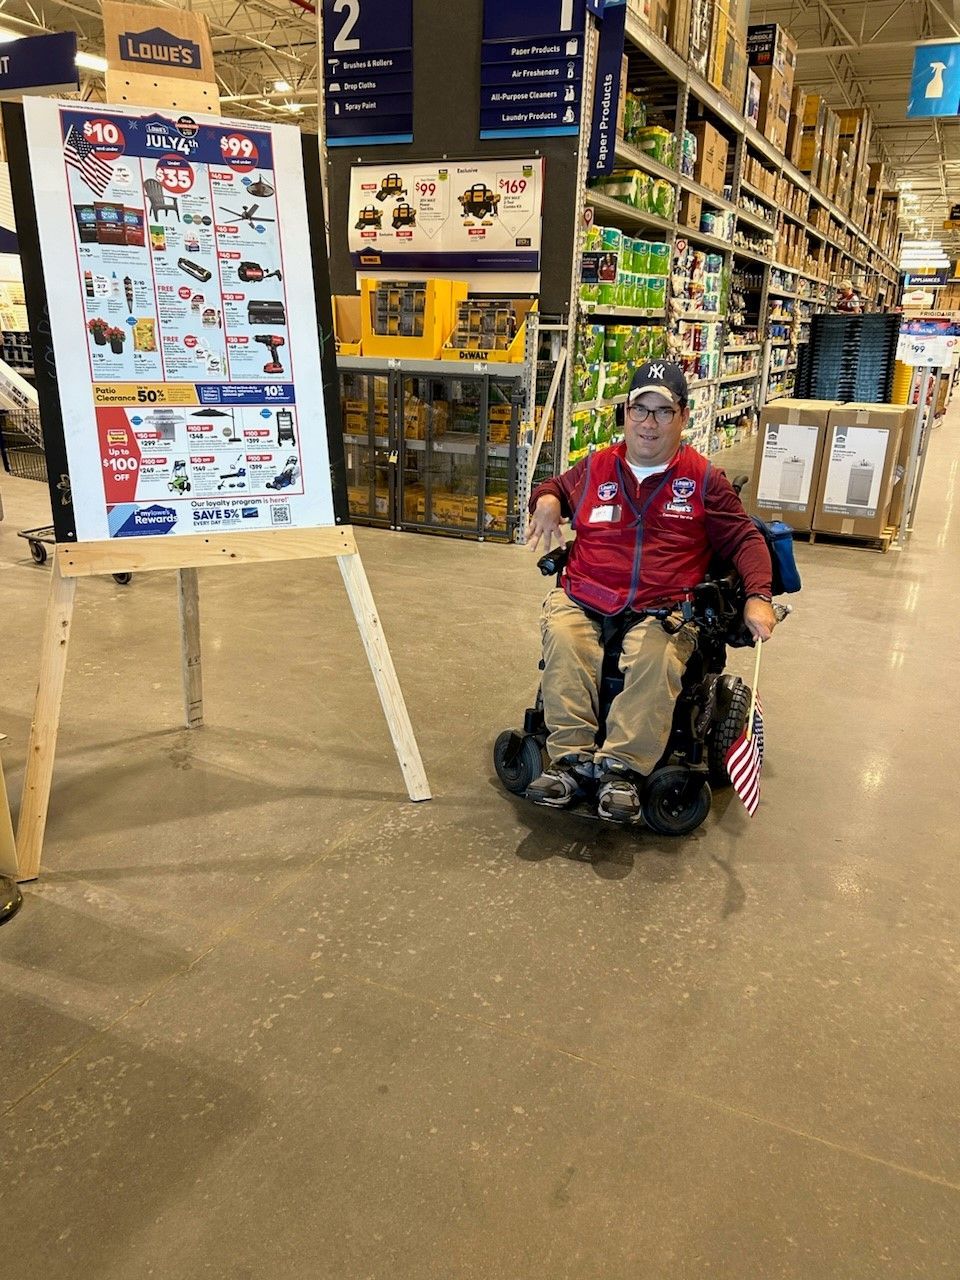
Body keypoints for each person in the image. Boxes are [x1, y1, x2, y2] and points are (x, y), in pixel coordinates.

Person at [525, 361, 776, 823]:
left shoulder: (703, 479)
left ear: (683, 416)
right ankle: (572, 762)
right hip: (585, 593)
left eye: (663, 411)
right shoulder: (598, 465)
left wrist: (758, 595)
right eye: (641, 409)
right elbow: (556, 485)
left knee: (654, 655)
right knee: (565, 637)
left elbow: (745, 538)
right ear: (626, 412)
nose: (649, 423)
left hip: (664, 606)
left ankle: (622, 768)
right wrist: (546, 500)